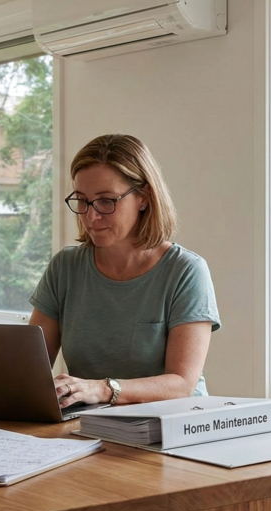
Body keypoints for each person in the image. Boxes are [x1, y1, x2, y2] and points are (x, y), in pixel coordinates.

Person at [28, 134, 220, 409]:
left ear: (144, 197)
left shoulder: (185, 271)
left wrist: (102, 389)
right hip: (90, 423)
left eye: (106, 201)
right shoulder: (65, 267)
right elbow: (28, 369)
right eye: (82, 200)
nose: (91, 216)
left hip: (173, 423)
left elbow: (181, 384)